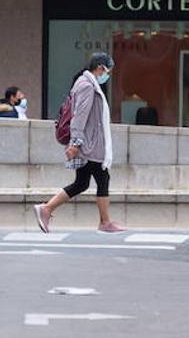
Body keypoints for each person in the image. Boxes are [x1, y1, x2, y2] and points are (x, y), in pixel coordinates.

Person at [33, 53, 125, 234]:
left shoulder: (85, 83)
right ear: (100, 67)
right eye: (108, 70)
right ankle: (105, 222)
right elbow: (80, 116)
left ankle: (47, 209)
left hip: (88, 142)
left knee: (82, 182)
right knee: (102, 178)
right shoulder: (87, 86)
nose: (108, 74)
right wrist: (75, 143)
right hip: (89, 144)